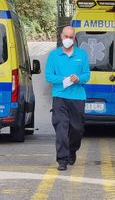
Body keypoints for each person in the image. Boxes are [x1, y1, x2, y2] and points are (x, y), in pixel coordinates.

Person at [45, 26, 91, 171]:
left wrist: (78, 78)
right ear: (61, 36)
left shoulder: (81, 54)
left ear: (74, 37)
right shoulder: (54, 55)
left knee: (77, 129)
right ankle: (62, 160)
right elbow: (48, 76)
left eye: (71, 37)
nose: (68, 40)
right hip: (60, 96)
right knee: (61, 127)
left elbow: (87, 75)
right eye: (66, 36)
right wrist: (63, 79)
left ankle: (72, 150)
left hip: (77, 96)